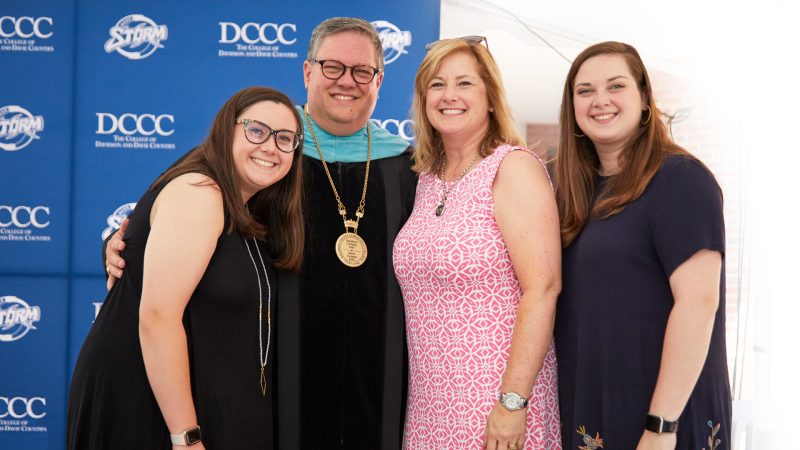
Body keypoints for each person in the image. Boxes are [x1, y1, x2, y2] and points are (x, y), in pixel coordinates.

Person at [103, 18, 417, 449]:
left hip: (380, 382)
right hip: (272, 386)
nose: (348, 81)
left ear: (379, 81)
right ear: (307, 72)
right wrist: (125, 245)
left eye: (363, 71)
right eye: (332, 67)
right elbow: (178, 206)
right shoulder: (265, 155)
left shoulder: (411, 168)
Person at [68, 86, 305, 449]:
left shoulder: (247, 206)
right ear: (227, 130)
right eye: (257, 131)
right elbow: (158, 317)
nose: (271, 146)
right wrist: (186, 438)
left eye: (285, 138)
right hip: (147, 407)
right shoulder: (200, 191)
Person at [552, 41, 731, 450]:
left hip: (662, 414)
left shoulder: (681, 180)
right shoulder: (566, 189)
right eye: (585, 91)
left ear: (645, 99)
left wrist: (662, 426)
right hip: (591, 408)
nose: (600, 101)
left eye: (616, 86)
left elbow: (699, 304)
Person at [393, 37, 561, 450]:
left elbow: (543, 288)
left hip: (497, 408)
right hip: (430, 411)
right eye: (436, 84)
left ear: (490, 97)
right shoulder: (426, 178)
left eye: (464, 83)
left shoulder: (512, 167)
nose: (449, 95)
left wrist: (512, 403)